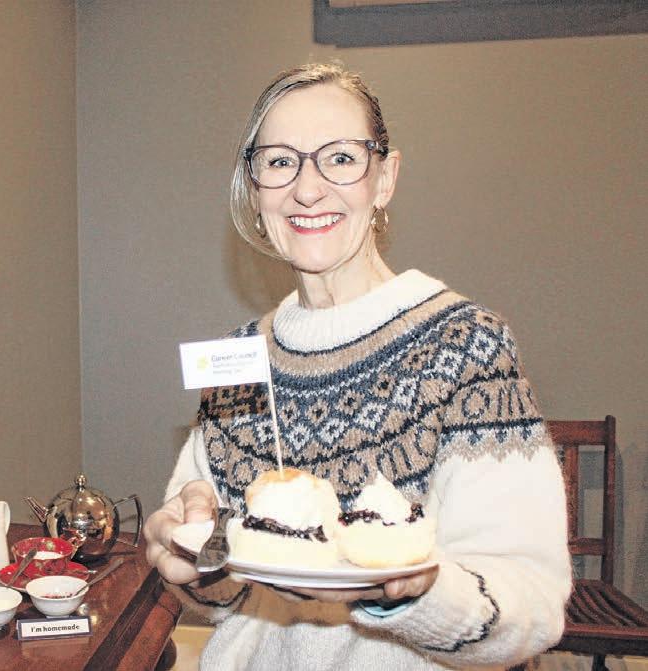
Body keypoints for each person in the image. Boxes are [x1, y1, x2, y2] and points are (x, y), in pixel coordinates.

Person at [144, 63, 571, 670]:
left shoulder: (465, 348)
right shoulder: (237, 363)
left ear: (385, 178)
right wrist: (192, 560)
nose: (307, 189)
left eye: (340, 158)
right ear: (255, 187)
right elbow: (225, 597)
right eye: (280, 161)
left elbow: (532, 606)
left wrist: (411, 594)